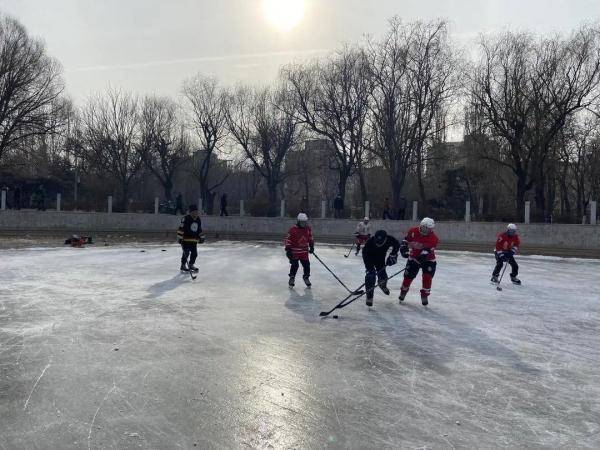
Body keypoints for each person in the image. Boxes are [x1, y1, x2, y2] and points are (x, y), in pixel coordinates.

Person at [398, 217, 440, 306]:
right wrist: (404, 249)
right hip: (413, 257)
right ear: (422, 226)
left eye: (430, 229)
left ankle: (424, 295)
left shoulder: (433, 238)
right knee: (408, 277)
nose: (428, 231)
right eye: (426, 228)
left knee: (427, 277)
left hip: (428, 260)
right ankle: (403, 291)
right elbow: (405, 241)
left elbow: (426, 252)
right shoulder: (413, 231)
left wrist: (420, 258)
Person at [362, 230, 400, 307]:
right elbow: (365, 254)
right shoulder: (369, 242)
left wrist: (393, 255)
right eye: (377, 241)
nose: (378, 243)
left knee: (383, 274)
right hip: (369, 258)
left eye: (380, 242)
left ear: (385, 239)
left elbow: (397, 245)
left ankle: (382, 285)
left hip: (380, 259)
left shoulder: (390, 239)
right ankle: (369, 296)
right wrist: (369, 268)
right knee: (370, 276)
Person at [284, 213, 314, 288]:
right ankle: (292, 278)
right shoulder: (293, 229)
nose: (303, 224)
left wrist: (311, 246)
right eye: (302, 222)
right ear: (298, 221)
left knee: (307, 266)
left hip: (304, 252)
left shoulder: (308, 229)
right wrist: (288, 250)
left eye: (304, 222)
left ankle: (306, 277)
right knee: (295, 265)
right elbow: (288, 239)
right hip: (295, 252)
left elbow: (310, 238)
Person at [177, 204, 203, 273]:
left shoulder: (198, 219)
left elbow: (199, 229)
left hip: (194, 240)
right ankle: (183, 265)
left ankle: (191, 264)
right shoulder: (185, 218)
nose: (196, 213)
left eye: (196, 211)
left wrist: (201, 237)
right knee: (186, 252)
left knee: (195, 254)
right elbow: (181, 228)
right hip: (185, 240)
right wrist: (179, 237)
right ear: (190, 212)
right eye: (194, 212)